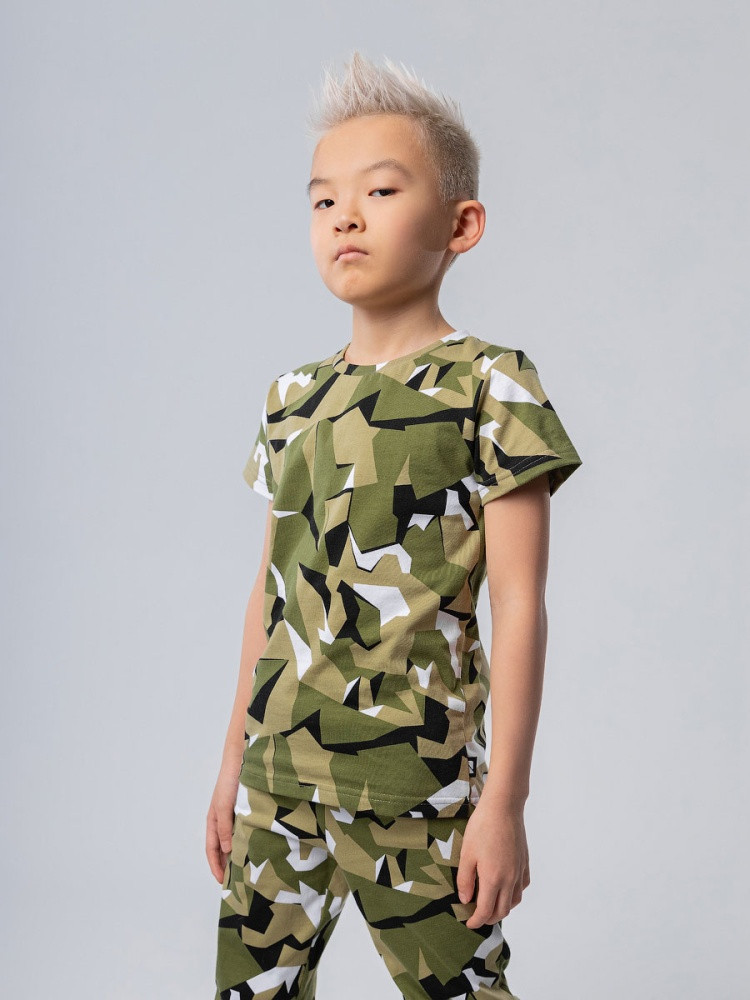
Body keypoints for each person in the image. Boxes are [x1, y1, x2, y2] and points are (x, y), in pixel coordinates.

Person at [206, 50, 582, 1000]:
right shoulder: (291, 398)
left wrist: (505, 802)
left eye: (379, 190)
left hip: (417, 784)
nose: (345, 216)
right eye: (323, 199)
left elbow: (521, 604)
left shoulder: (490, 385)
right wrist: (231, 765)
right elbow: (269, 595)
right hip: (277, 780)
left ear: (461, 224)